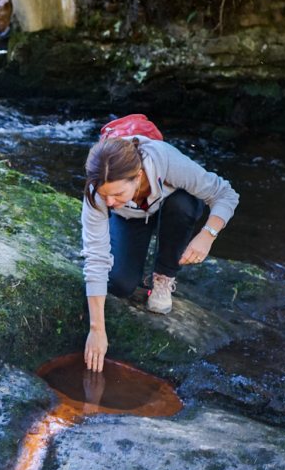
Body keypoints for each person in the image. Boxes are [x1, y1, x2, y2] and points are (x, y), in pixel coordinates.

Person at [82, 134, 239, 372]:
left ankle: (164, 277)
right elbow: (95, 258)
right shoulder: (97, 193)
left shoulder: (166, 160)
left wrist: (207, 234)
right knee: (120, 284)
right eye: (105, 196)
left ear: (138, 177)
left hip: (172, 207)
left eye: (116, 194)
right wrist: (97, 329)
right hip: (131, 218)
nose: (110, 201)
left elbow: (226, 194)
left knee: (183, 204)